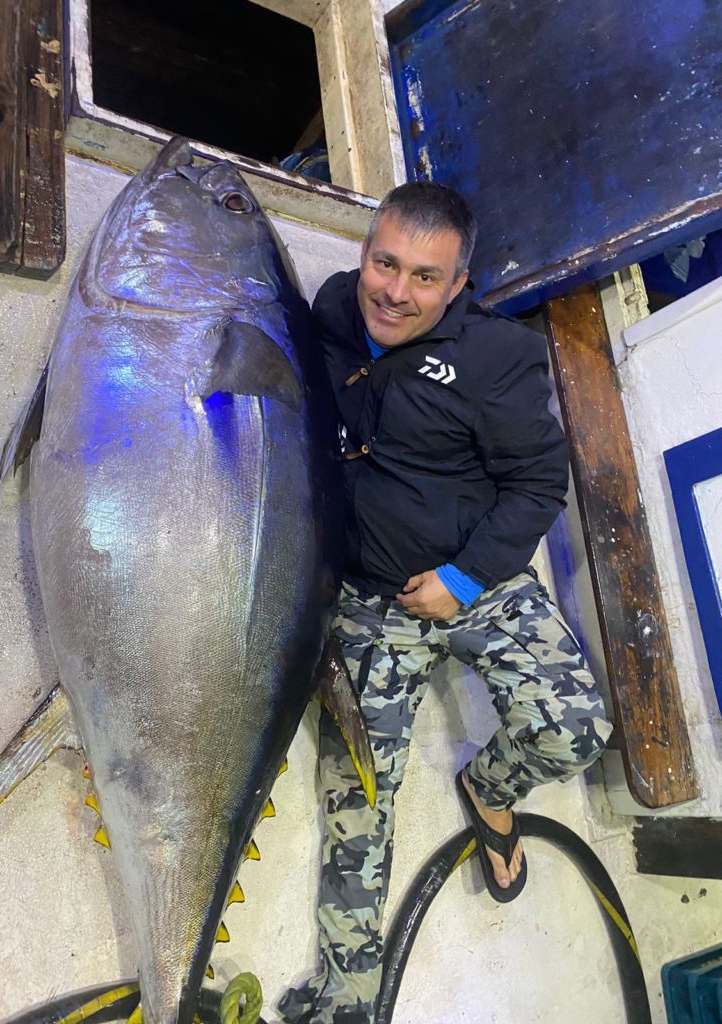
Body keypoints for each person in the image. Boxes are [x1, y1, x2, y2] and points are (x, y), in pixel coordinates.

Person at [278, 182, 613, 1024]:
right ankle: (345, 999)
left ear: (458, 284)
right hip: (369, 602)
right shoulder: (333, 309)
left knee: (575, 731)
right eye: (385, 263)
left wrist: (463, 579)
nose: (395, 292)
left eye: (425, 277)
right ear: (365, 253)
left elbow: (539, 483)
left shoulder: (498, 358)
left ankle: (489, 787)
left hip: (477, 581)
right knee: (357, 802)